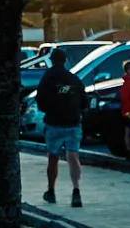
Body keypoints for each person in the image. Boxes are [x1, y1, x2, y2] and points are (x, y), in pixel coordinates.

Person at [35, 51, 86, 208]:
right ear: (65, 61)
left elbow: (40, 100)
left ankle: (51, 191)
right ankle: (76, 190)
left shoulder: (48, 77)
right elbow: (84, 101)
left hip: (54, 123)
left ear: (52, 61)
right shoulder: (74, 78)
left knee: (53, 157)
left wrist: (51, 109)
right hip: (73, 122)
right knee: (73, 156)